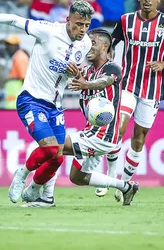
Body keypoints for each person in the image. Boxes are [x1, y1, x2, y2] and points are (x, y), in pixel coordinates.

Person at [0, 0, 94, 205]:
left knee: (57, 158)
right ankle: (21, 174)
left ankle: (35, 190)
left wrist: (78, 73)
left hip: (55, 105)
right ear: (68, 20)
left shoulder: (85, 44)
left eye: (86, 25)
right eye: (78, 24)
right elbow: (13, 19)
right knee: (49, 149)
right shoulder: (47, 31)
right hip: (31, 99)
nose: (82, 29)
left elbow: (69, 71)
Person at [21, 28, 139, 207]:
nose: (87, 47)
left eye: (93, 43)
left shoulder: (111, 67)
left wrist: (86, 84)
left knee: (54, 147)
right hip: (91, 132)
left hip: (102, 135)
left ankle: (44, 196)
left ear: (105, 46)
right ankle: (125, 187)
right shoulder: (87, 71)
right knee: (77, 177)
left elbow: (106, 81)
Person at [95, 0, 164, 201]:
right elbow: (111, 44)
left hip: (152, 90)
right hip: (126, 85)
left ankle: (124, 184)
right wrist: (110, 59)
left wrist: (163, 64)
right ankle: (111, 175)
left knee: (139, 138)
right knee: (119, 128)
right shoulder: (126, 21)